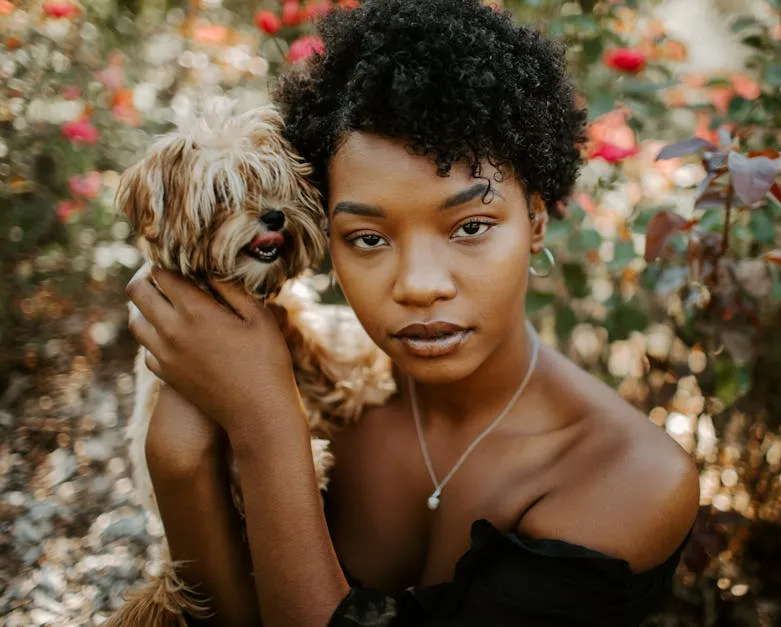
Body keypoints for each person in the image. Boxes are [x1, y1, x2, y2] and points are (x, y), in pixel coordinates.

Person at [125, 1, 700, 625]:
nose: (420, 286)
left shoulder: (632, 480)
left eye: (471, 226)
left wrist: (268, 428)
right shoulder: (327, 387)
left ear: (535, 220)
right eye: (368, 238)